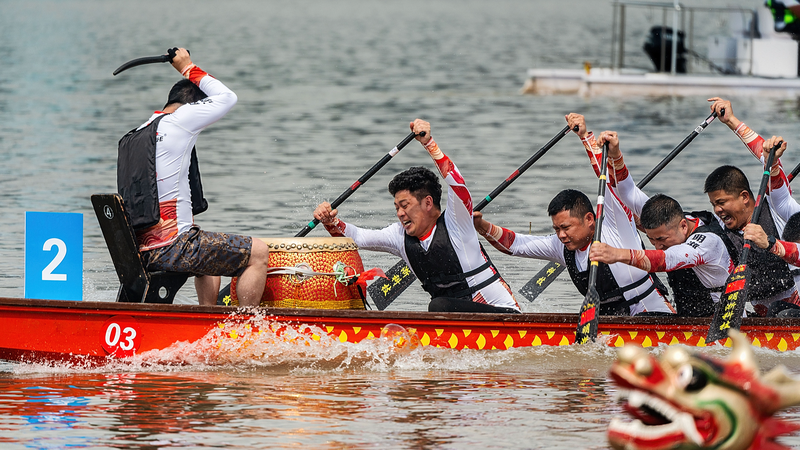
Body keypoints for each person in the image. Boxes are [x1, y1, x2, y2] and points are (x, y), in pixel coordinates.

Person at [473, 114, 674, 316]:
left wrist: (586, 137)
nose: (561, 235)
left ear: (589, 219)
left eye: (566, 228)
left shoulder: (615, 224)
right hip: (606, 324)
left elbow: (609, 180)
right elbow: (515, 245)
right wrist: (481, 225)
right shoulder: (562, 247)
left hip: (652, 313)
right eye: (557, 229)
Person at [312, 119, 520, 314]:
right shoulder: (399, 236)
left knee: (438, 305)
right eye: (396, 207)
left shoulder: (457, 222)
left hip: (505, 316)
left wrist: (429, 143)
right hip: (456, 319)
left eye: (405, 206)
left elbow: (457, 183)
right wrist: (331, 221)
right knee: (438, 306)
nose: (400, 213)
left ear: (428, 203)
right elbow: (355, 238)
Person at [117, 47, 269, 307]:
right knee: (259, 253)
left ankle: (206, 321)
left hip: (142, 251)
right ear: (194, 106)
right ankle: (245, 332)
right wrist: (187, 66)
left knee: (207, 244)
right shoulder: (179, 119)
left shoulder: (135, 134)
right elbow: (227, 97)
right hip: (174, 248)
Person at [585, 131, 736, 317]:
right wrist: (615, 155)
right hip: (688, 322)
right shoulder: (663, 218)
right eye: (652, 240)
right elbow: (628, 192)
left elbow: (667, 260)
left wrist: (616, 254)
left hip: (723, 322)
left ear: (683, 226)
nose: (657, 246)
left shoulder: (708, 242)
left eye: (662, 239)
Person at [707, 98, 799, 315]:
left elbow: (771, 168)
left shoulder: (782, 211)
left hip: (790, 310)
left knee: (781, 311)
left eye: (721, 203)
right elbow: (767, 161)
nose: (718, 210)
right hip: (765, 314)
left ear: (745, 197)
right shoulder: (720, 226)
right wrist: (730, 121)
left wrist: (769, 243)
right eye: (714, 205)